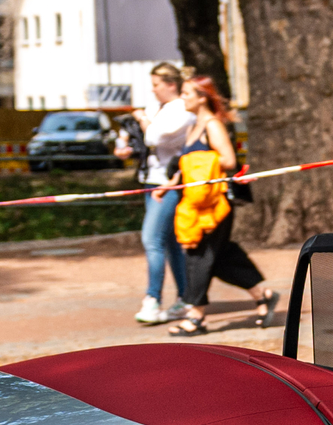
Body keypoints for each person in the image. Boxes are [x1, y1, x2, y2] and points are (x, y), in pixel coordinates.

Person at [163, 73, 278, 336]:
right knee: (222, 256)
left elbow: (227, 160)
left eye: (187, 93)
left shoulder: (212, 125)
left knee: (199, 254)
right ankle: (264, 295)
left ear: (202, 98)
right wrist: (172, 183)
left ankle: (196, 315)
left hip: (214, 204)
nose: (182, 98)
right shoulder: (194, 126)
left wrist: (195, 166)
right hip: (195, 202)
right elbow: (190, 165)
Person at [118, 61, 194, 325]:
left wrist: (141, 119)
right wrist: (124, 143)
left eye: (156, 85)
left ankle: (153, 299)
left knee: (152, 239)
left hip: (169, 183)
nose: (152, 91)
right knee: (170, 243)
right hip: (150, 180)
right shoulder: (156, 108)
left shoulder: (183, 109)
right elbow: (132, 132)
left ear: (170, 85)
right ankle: (187, 297)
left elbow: (155, 137)